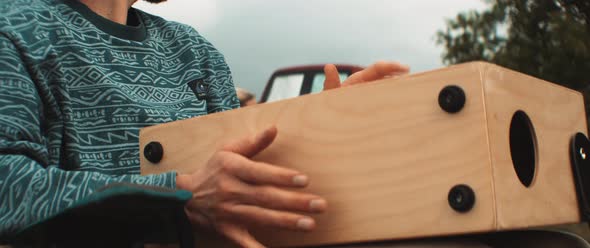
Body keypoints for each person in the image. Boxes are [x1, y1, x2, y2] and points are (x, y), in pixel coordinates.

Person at [0, 0, 410, 246]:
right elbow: (8, 186)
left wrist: (323, 132)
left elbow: (245, 178)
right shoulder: (13, 26)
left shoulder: (195, 51)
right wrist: (178, 197)